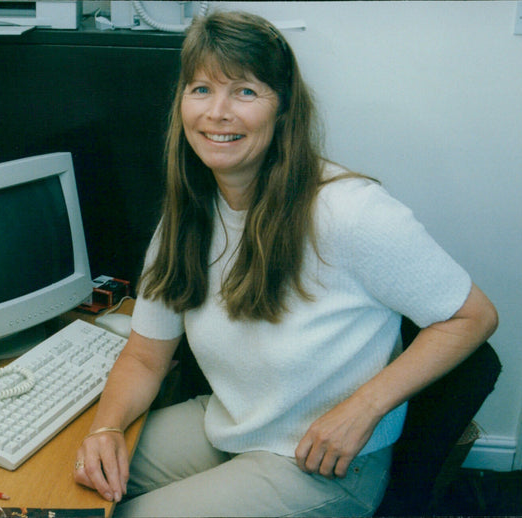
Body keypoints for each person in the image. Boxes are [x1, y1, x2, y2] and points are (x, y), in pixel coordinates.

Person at [74, 10, 498, 517]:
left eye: (246, 92)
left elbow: (473, 315)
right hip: (231, 419)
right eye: (201, 89)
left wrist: (363, 408)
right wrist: (107, 428)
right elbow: (145, 357)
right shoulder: (188, 211)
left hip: (319, 463)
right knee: (67, 479)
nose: (218, 112)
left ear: (284, 109)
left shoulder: (348, 210)